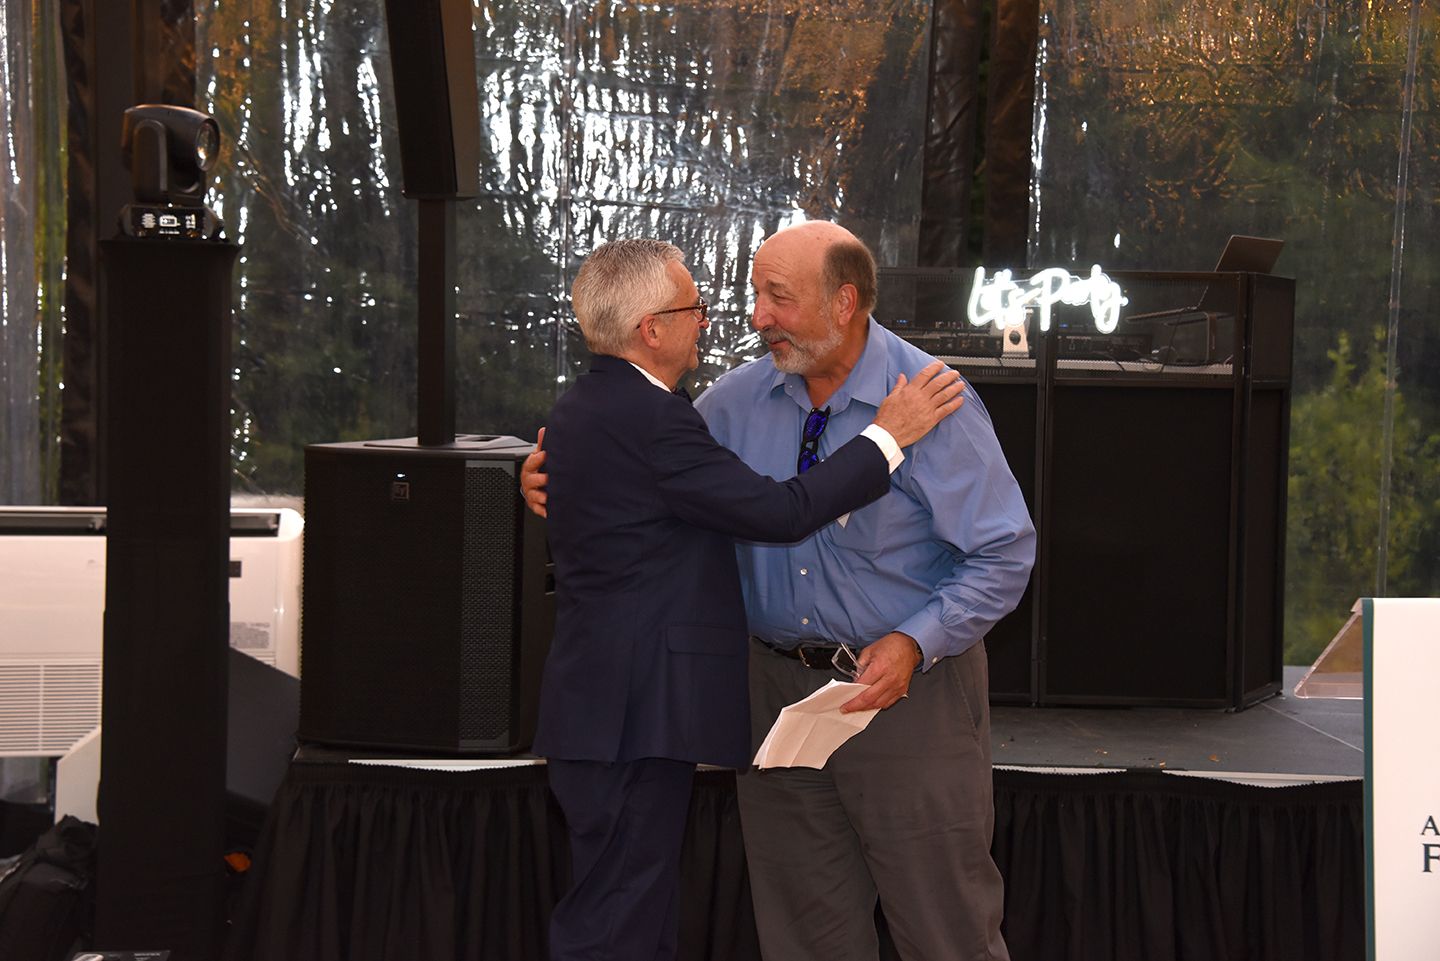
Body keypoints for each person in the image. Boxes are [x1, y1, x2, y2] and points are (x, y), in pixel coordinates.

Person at [531, 237, 967, 961]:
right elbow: (780, 512)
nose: (714, 318)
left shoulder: (586, 407)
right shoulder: (656, 420)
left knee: (620, 911)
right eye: (694, 307)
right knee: (617, 923)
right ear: (652, 330)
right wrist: (886, 438)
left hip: (603, 710)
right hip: (634, 718)